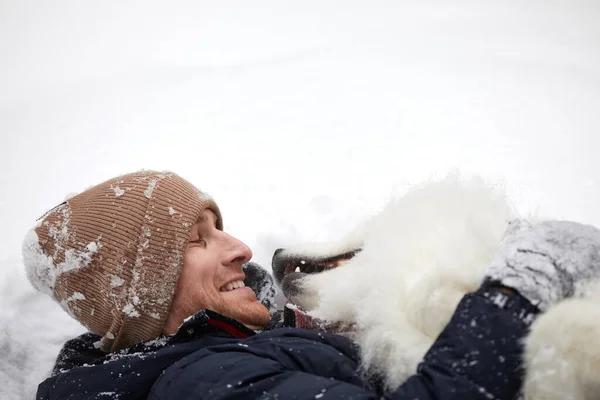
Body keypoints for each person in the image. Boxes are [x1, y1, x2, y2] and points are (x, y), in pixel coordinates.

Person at [23, 170, 600, 400]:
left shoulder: (221, 360)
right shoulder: (203, 382)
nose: (240, 248)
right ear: (139, 289)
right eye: (197, 239)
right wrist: (514, 293)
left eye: (221, 227)